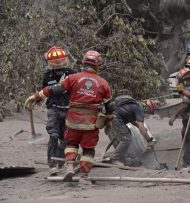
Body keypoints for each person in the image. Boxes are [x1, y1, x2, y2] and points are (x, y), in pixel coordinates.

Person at [25, 50, 112, 185]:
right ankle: (83, 177)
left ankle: (69, 166)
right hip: (91, 123)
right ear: (98, 65)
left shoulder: (72, 77)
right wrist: (109, 124)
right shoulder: (104, 83)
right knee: (88, 149)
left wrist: (36, 96)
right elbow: (110, 107)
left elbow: (54, 89)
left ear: (84, 63)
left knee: (71, 144)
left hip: (72, 120)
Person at [42, 46, 75, 176]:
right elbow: (44, 92)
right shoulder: (47, 76)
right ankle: (52, 165)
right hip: (54, 109)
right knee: (53, 136)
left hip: (68, 109)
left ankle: (61, 161)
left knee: (66, 138)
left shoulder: (71, 73)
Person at [104, 94, 156, 166]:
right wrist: (149, 140)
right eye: (148, 112)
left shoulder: (136, 105)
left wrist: (137, 125)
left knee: (127, 137)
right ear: (147, 108)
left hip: (115, 117)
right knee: (126, 138)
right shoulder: (139, 108)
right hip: (116, 118)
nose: (147, 114)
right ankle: (115, 159)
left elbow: (130, 118)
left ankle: (120, 157)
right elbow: (142, 128)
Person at [168, 67, 190, 167]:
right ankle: (188, 159)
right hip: (188, 116)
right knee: (186, 136)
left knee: (189, 140)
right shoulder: (186, 84)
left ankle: (187, 163)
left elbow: (185, 104)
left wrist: (174, 116)